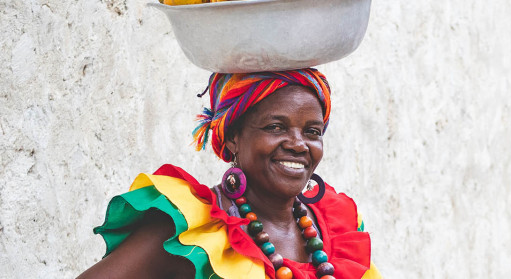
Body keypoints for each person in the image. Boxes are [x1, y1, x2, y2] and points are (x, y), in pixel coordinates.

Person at [78, 69, 380, 279]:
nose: (298, 144)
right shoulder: (194, 234)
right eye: (275, 127)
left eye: (312, 131)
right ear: (233, 136)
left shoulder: (339, 229)